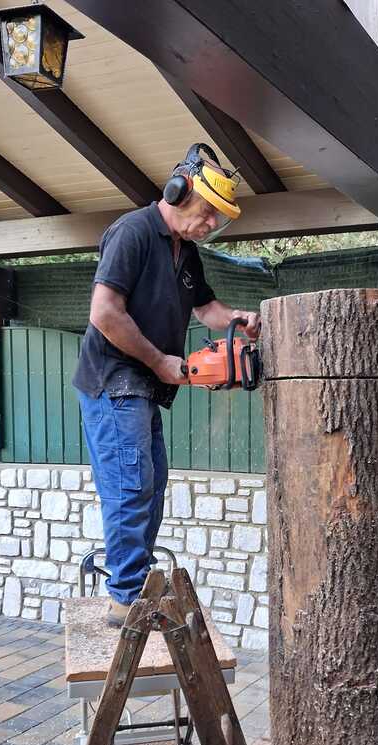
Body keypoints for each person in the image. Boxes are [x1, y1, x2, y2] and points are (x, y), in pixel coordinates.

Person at [73, 143, 260, 626]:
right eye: (208, 211)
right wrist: (159, 361)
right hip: (114, 381)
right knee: (131, 487)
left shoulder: (187, 251)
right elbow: (104, 313)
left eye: (219, 217)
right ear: (178, 191)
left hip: (144, 386)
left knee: (151, 487)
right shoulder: (132, 232)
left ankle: (136, 586)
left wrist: (237, 320)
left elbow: (207, 309)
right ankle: (126, 598)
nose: (211, 223)